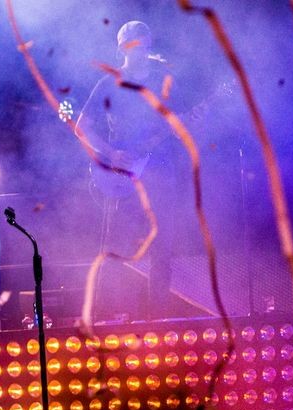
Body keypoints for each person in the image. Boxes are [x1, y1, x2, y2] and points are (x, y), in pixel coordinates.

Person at [75, 20, 192, 319]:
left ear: (149, 43)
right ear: (121, 47)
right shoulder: (109, 82)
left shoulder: (164, 81)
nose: (138, 47)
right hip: (121, 174)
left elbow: (175, 124)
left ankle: (159, 318)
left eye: (142, 41)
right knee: (118, 245)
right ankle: (117, 316)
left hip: (159, 169)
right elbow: (82, 127)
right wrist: (111, 153)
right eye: (131, 42)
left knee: (162, 243)